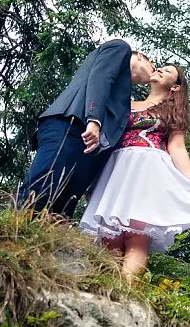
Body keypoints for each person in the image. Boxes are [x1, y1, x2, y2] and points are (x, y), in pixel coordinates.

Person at [78, 63, 190, 280]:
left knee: (136, 235)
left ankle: (128, 287)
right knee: (110, 234)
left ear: (176, 87)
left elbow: (177, 147)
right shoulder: (126, 104)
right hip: (116, 170)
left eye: (168, 71)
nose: (160, 69)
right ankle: (109, 286)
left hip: (148, 170)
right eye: (160, 67)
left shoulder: (172, 111)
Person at [14, 39, 155, 218]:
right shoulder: (120, 49)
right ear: (140, 57)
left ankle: (41, 235)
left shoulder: (123, 92)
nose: (154, 73)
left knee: (62, 210)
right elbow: (100, 78)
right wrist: (94, 119)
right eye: (153, 67)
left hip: (86, 143)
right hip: (71, 125)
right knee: (40, 191)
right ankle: (12, 230)